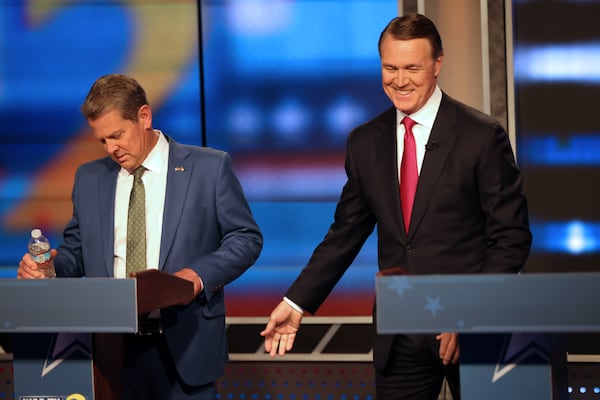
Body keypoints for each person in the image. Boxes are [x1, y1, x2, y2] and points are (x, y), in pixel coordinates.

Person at [260, 13, 531, 400]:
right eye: (390, 67)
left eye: (411, 68)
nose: (399, 80)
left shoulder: (481, 136)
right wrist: (297, 301)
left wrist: (471, 311)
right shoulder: (365, 141)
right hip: (400, 334)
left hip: (472, 331)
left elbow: (511, 237)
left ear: (438, 64)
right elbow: (346, 233)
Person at [17, 74, 263, 399]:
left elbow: (245, 238)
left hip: (185, 346)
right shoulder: (90, 178)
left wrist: (197, 277)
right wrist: (49, 268)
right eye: (102, 140)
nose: (111, 149)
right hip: (111, 352)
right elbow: (77, 252)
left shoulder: (209, 167)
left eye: (117, 135)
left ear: (144, 117)